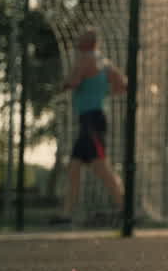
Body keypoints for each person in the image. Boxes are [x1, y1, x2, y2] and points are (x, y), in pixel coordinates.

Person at [50, 28, 127, 226]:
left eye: (80, 37)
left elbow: (74, 82)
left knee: (102, 167)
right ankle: (66, 214)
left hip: (91, 121)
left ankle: (126, 209)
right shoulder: (105, 62)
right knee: (74, 168)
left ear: (88, 42)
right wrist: (102, 92)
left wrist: (64, 84)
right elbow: (123, 85)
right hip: (92, 119)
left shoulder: (85, 59)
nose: (76, 40)